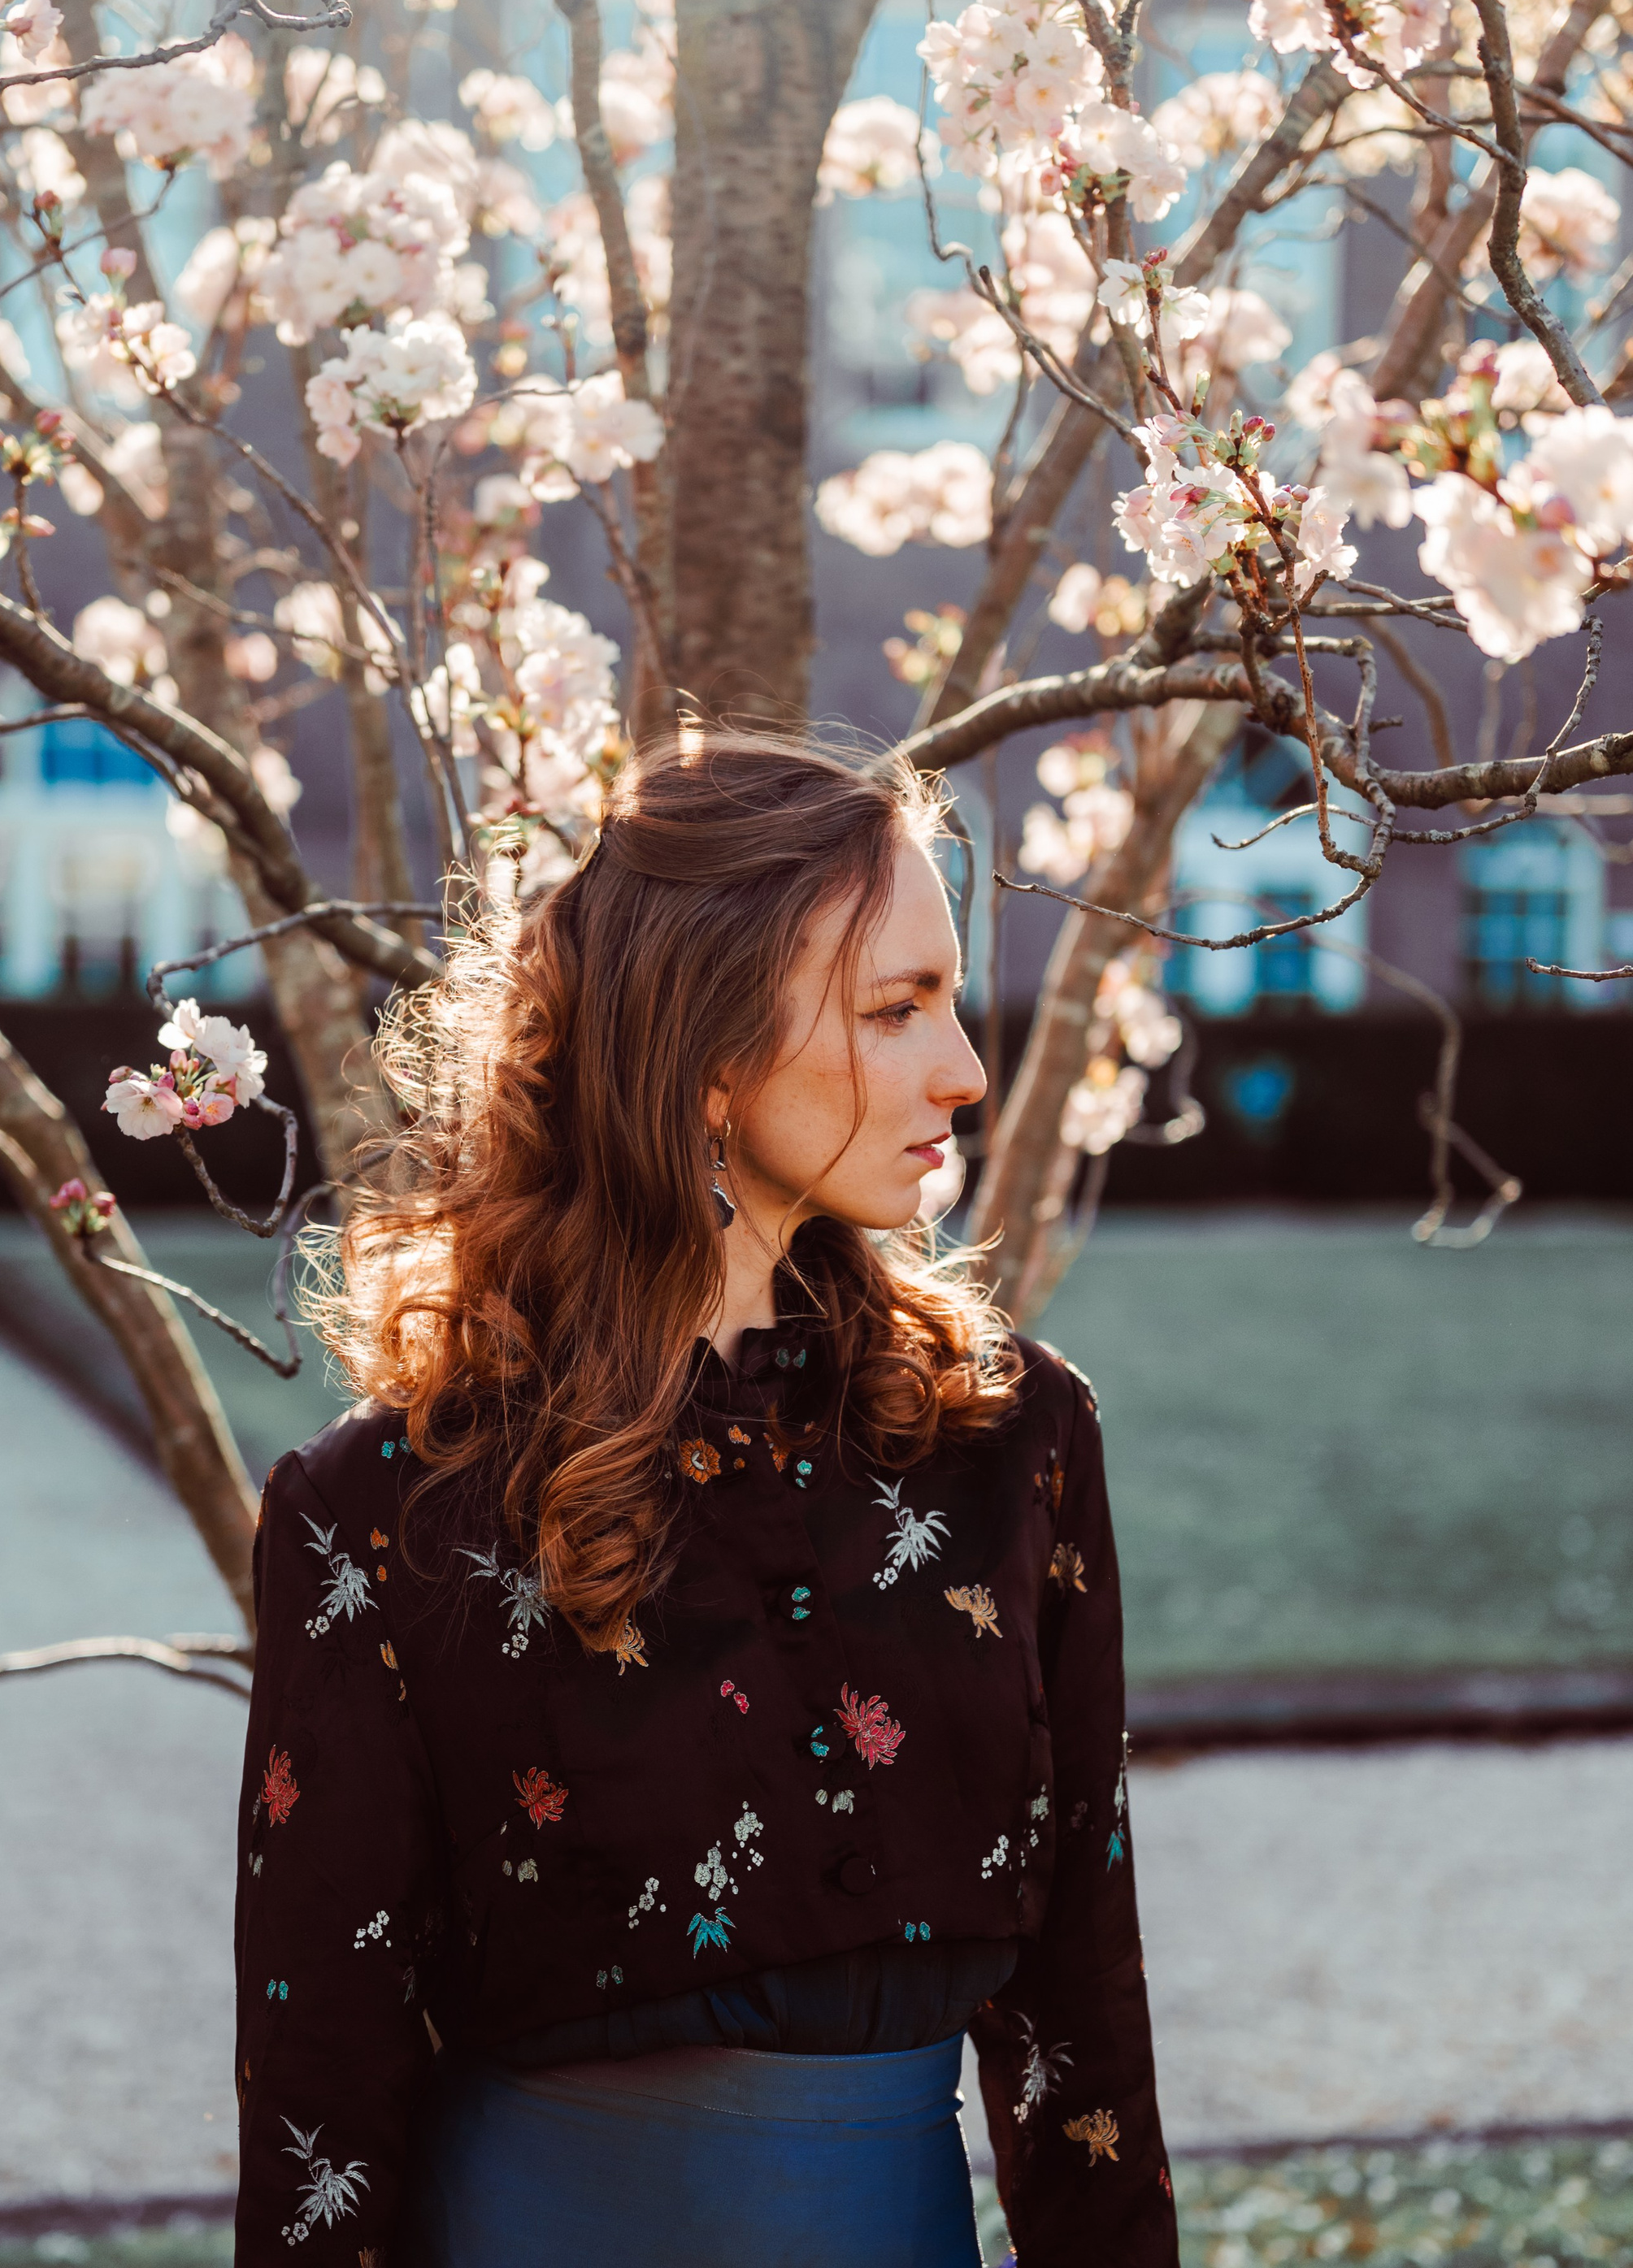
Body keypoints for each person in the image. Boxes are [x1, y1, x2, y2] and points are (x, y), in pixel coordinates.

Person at [232, 731, 1175, 2266]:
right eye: (896, 1008)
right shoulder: (392, 1512)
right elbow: (322, 2094)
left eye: (948, 994)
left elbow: (1084, 1997)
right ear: (711, 1060)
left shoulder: (1015, 1437)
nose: (968, 1067)